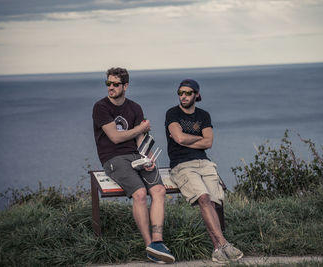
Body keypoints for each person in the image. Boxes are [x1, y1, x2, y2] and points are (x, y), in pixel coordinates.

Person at [92, 67, 175, 264]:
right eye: (108, 84)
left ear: (125, 86)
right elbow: (115, 137)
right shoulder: (101, 107)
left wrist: (149, 158)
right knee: (139, 194)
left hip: (137, 156)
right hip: (114, 158)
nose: (110, 87)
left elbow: (141, 138)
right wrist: (141, 127)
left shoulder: (135, 108)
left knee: (159, 191)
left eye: (115, 84)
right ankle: (150, 247)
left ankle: (157, 241)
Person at [165, 79, 243, 263]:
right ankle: (224, 244)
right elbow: (178, 138)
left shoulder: (204, 115)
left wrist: (186, 138)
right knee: (203, 198)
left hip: (205, 163)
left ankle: (217, 250)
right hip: (182, 164)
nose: (183, 96)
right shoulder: (172, 113)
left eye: (188, 93)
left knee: (213, 203)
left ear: (197, 95)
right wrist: (196, 137)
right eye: (180, 93)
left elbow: (208, 142)